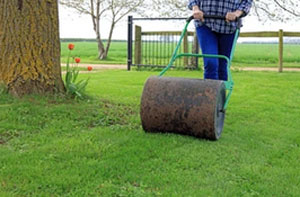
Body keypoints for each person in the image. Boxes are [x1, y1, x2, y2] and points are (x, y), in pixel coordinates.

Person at [188, 0, 252, 80]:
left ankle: (220, 91)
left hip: (229, 27)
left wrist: (237, 13)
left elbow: (247, 1)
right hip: (205, 23)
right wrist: (195, 8)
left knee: (222, 66)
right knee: (210, 62)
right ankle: (210, 91)